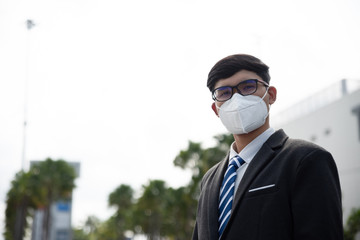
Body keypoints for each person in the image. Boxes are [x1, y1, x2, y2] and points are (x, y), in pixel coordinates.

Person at [192, 54, 343, 240]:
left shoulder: (306, 159)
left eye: (248, 87)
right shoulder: (209, 180)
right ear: (216, 109)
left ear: (270, 95)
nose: (237, 98)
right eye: (224, 93)